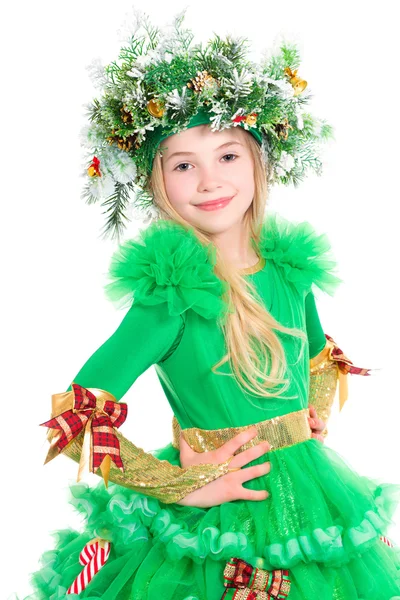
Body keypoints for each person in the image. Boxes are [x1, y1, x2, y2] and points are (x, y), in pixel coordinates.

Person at [17, 9, 400, 600]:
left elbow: (320, 355)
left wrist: (313, 407)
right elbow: (77, 418)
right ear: (156, 181)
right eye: (183, 165)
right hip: (219, 516)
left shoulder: (290, 272)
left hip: (313, 496)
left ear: (257, 162)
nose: (208, 181)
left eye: (227, 156)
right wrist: (178, 485)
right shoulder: (170, 299)